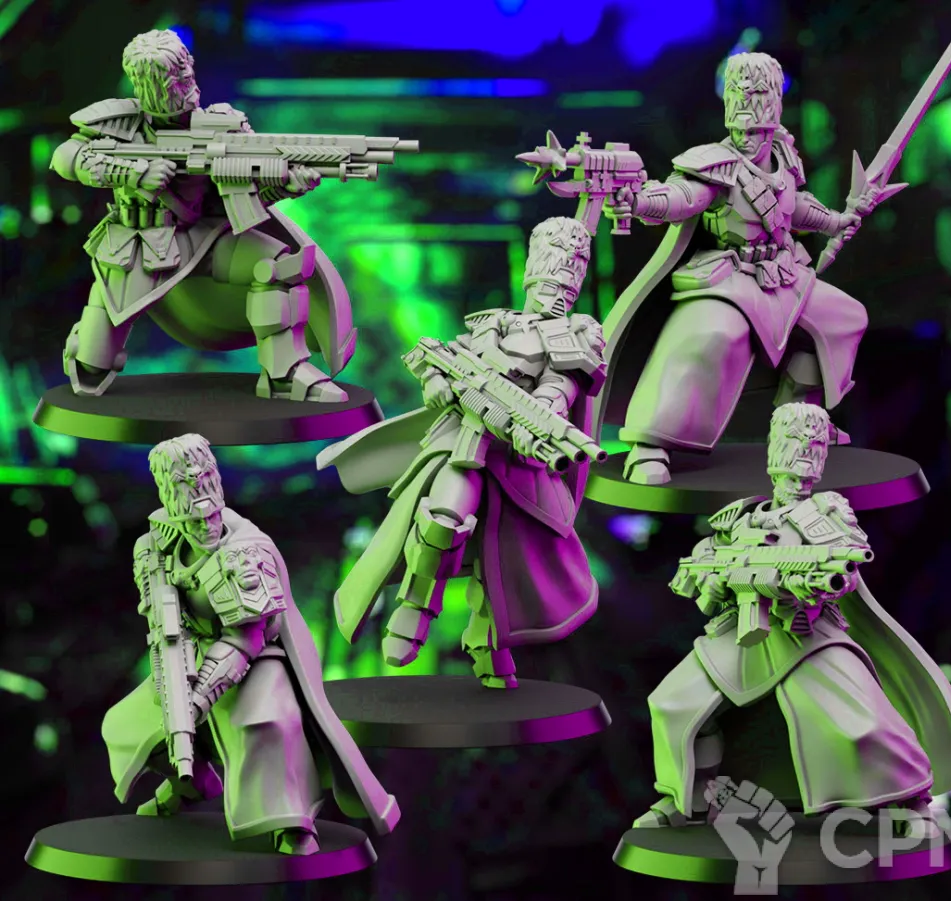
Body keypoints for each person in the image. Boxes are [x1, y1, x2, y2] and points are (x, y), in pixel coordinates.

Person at [634, 402, 951, 834]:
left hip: (806, 632)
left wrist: (798, 582)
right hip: (737, 633)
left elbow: (845, 571)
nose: (799, 469)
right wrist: (716, 577)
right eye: (791, 452)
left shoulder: (827, 515)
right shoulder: (741, 517)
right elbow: (702, 564)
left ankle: (909, 804)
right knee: (673, 703)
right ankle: (688, 797)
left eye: (810, 452)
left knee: (860, 721)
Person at [320, 217, 607, 688]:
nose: (554, 291)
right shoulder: (493, 323)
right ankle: (414, 608)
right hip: (464, 437)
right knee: (443, 517)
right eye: (547, 278)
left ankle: (488, 649)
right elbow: (436, 358)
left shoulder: (575, 334)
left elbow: (563, 386)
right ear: (530, 273)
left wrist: (541, 412)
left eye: (565, 280)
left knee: (505, 564)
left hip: (520, 462)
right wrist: (435, 381)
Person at [102, 433, 399, 854]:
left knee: (265, 721)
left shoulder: (244, 551)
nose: (206, 526)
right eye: (194, 521)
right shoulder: (156, 545)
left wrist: (197, 700)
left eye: (210, 517)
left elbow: (248, 636)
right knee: (127, 723)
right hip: (191, 649)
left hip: (256, 656)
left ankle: (292, 824)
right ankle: (191, 784)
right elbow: (159, 617)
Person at [601, 52, 878, 485]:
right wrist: (637, 201)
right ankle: (651, 444)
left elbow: (793, 207)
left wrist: (835, 221)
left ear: (772, 118)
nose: (747, 138)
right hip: (728, 278)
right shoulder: (715, 164)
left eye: (756, 130)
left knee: (844, 317)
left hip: (783, 274)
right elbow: (681, 198)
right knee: (708, 336)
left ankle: (798, 416)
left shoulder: (784, 156)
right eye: (740, 129)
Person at [49, 29, 352, 401]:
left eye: (183, 71)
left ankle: (283, 375)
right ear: (144, 83)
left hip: (204, 239)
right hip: (133, 248)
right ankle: (87, 348)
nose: (182, 83)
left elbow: (244, 199)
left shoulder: (223, 126)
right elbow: (66, 157)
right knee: (90, 370)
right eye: (168, 78)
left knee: (276, 265)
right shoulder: (120, 122)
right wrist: (132, 173)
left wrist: (287, 186)